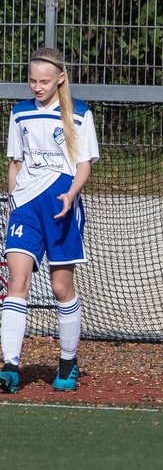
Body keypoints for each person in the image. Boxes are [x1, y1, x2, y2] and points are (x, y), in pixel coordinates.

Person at [1, 48, 100, 393]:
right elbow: (15, 162)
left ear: (60, 79)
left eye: (44, 81)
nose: (37, 87)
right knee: (17, 281)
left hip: (61, 205)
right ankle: (10, 364)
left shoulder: (80, 114)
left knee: (61, 289)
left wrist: (71, 195)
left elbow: (85, 164)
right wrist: (13, 200)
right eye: (32, 80)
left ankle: (68, 361)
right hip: (26, 207)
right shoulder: (20, 113)